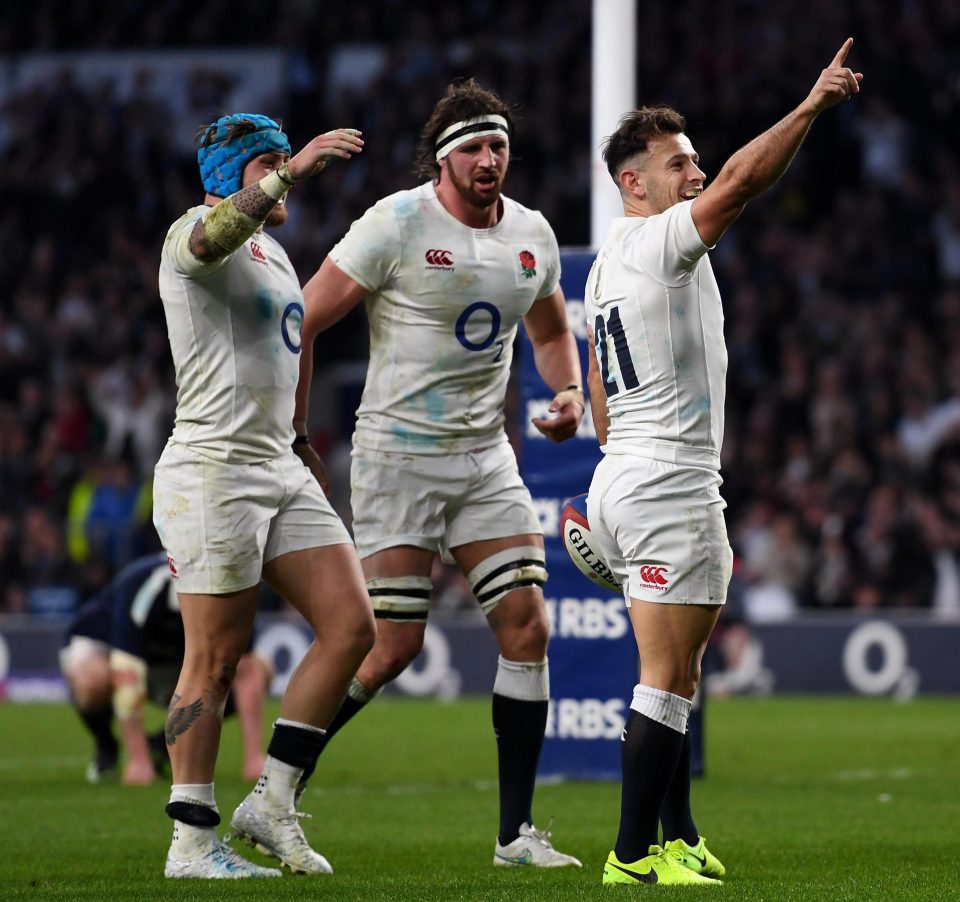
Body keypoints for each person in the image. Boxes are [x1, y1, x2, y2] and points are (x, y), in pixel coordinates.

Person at [584, 41, 863, 886]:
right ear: (634, 183)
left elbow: (599, 390)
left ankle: (678, 836)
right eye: (679, 163)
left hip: (623, 475)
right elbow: (746, 182)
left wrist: (621, 477)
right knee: (666, 683)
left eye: (696, 159)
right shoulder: (661, 241)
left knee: (677, 673)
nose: (698, 173)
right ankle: (630, 857)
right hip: (670, 481)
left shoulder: (601, 268)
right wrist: (811, 105)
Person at [294, 79, 584, 868]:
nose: (489, 160)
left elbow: (552, 331)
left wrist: (564, 391)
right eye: (473, 149)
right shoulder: (394, 222)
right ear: (443, 159)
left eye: (498, 147)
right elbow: (307, 317)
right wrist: (294, 428)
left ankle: (515, 836)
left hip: (484, 457)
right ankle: (278, 791)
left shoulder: (532, 233)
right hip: (398, 456)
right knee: (390, 648)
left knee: (527, 629)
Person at [154, 113, 376, 879]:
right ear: (233, 175)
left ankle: (272, 803)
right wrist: (294, 168)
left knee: (353, 626)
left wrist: (303, 439)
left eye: (286, 159)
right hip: (213, 468)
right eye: (268, 163)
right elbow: (212, 238)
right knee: (214, 659)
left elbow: (291, 349)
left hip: (277, 462)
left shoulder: (275, 254)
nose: (286, 172)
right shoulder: (194, 232)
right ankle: (190, 842)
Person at [60, 551, 273, 786]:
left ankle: (160, 745)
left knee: (263, 669)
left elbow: (247, 671)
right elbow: (126, 671)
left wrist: (255, 758)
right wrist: (138, 761)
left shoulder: (232, 590)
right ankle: (106, 744)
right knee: (91, 679)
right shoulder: (146, 585)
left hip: (170, 657)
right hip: (107, 647)